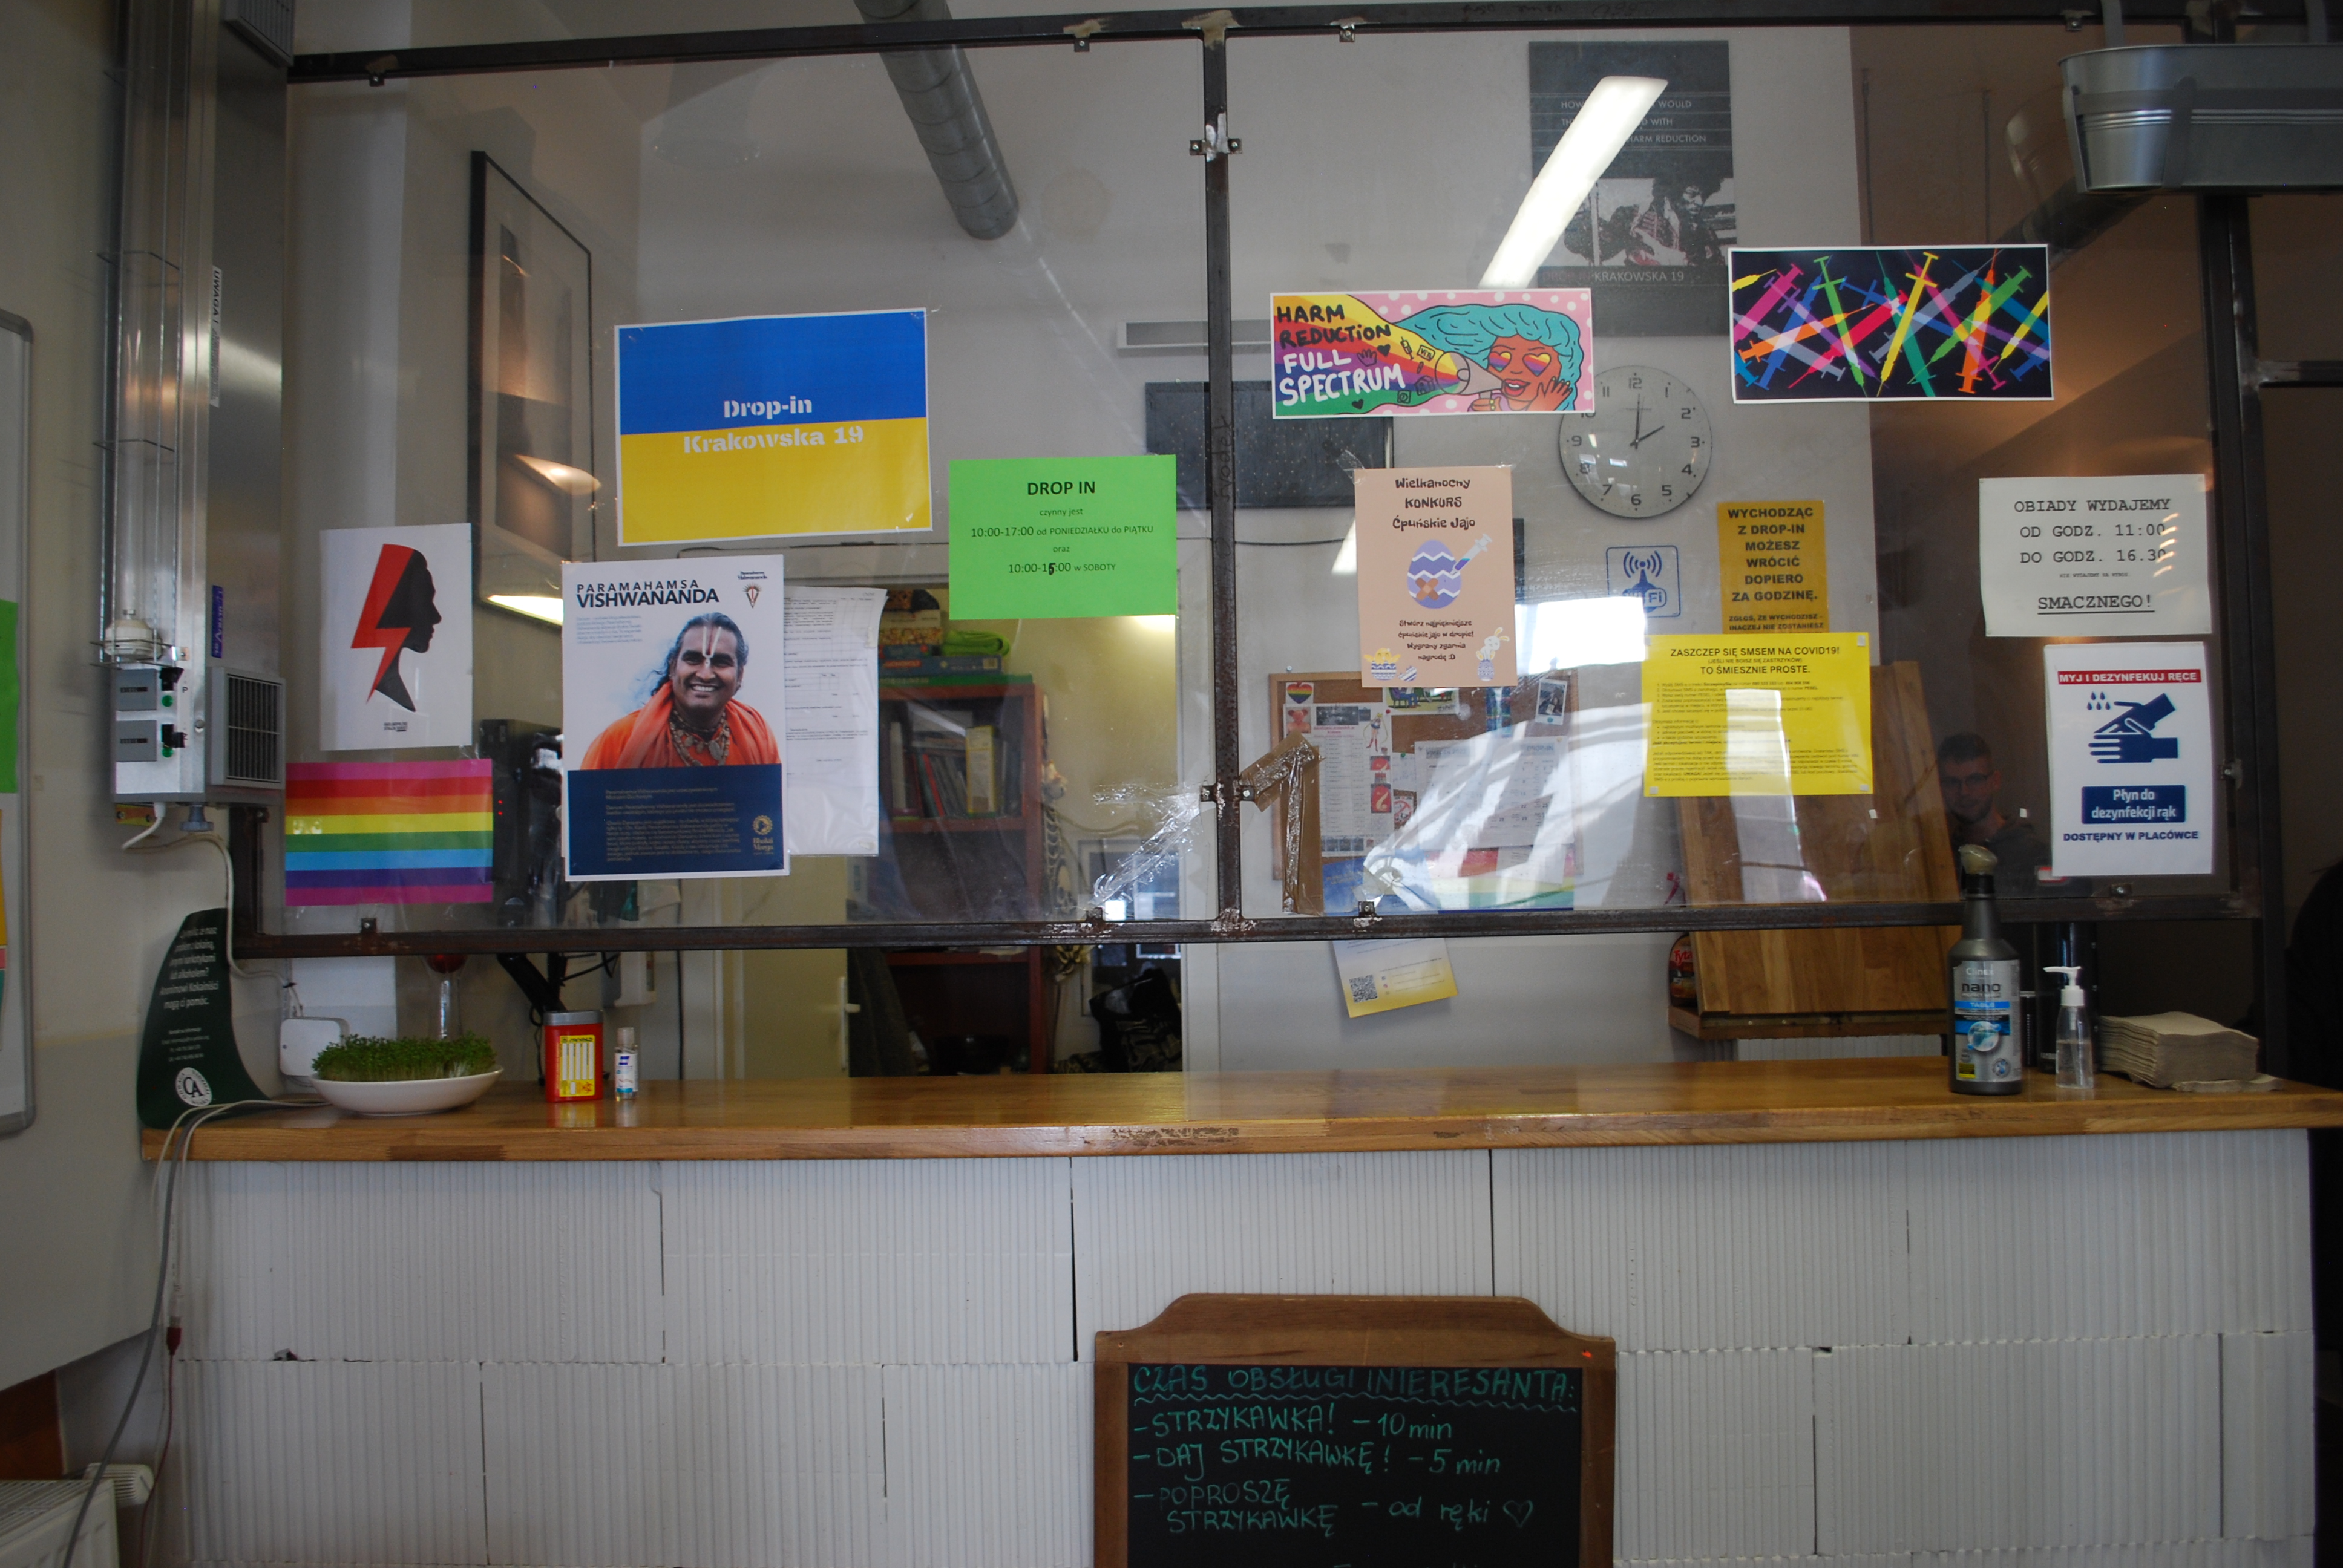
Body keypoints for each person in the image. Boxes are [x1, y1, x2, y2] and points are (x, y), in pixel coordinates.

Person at [579, 611, 779, 769]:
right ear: (673, 667)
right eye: (693, 659)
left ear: (740, 676)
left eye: (721, 662)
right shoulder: (621, 739)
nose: (705, 674)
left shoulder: (757, 735)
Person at [1407, 301, 1585, 412]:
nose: (1515, 370)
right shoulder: (1485, 405)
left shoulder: (1563, 408)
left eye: (1535, 363)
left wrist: (1545, 407)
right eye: (1500, 360)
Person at [1936, 732, 2050, 895]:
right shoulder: (1941, 857)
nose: (1964, 792)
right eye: (1952, 782)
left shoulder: (2034, 855)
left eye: (1975, 779)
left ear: (1995, 781)